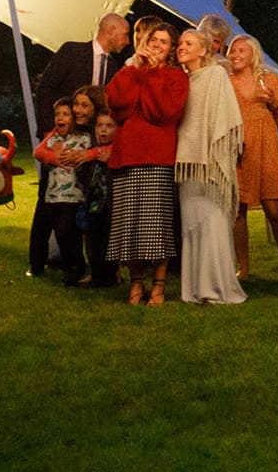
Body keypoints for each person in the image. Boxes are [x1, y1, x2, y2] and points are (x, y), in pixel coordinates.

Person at [105, 17, 188, 306]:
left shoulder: (176, 78)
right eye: (153, 41)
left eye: (163, 43)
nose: (156, 47)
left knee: (157, 227)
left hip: (157, 157)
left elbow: (162, 112)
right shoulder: (131, 71)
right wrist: (135, 71)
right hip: (127, 156)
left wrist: (151, 75)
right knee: (131, 226)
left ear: (171, 50)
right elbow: (116, 105)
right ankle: (136, 283)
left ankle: (159, 285)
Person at [174, 27, 246, 305]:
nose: (182, 47)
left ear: (204, 50)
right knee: (191, 224)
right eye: (180, 43)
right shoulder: (182, 79)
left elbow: (225, 117)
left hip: (211, 164)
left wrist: (216, 151)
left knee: (212, 222)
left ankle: (216, 287)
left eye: (189, 43)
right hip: (188, 161)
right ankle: (193, 288)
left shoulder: (216, 75)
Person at [226, 35, 278, 280]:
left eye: (241, 50)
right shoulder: (226, 81)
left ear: (253, 54)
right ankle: (243, 267)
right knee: (238, 209)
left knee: (273, 208)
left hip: (265, 146)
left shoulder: (268, 79)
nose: (235, 54)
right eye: (232, 50)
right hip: (238, 147)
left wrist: (275, 102)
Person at [29, 97, 90, 285]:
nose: (60, 118)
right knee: (59, 232)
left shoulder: (83, 139)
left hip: (73, 196)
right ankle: (69, 268)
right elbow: (38, 152)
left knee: (67, 232)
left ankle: (76, 267)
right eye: (57, 114)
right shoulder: (53, 139)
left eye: (65, 114)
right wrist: (53, 158)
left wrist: (77, 157)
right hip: (53, 196)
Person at [36, 11, 130, 115]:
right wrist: (48, 127)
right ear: (111, 30)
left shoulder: (113, 68)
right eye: (125, 34)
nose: (127, 41)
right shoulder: (72, 51)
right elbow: (45, 88)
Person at [80, 99, 116, 287]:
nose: (103, 130)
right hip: (92, 204)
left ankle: (109, 276)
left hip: (109, 206)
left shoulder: (116, 153)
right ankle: (96, 274)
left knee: (106, 240)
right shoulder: (92, 153)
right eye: (100, 125)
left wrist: (110, 162)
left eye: (109, 126)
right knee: (93, 239)